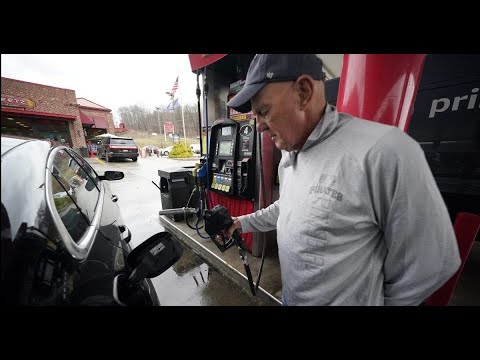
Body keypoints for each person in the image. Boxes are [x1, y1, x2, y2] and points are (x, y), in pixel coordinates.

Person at [226, 54, 461, 306]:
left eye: (264, 111)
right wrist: (243, 222)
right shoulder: (291, 152)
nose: (258, 125)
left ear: (303, 91)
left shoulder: (384, 151)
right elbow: (292, 207)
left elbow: (430, 265)